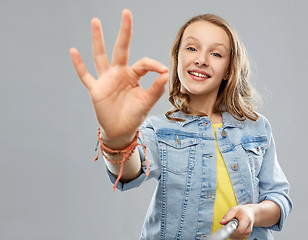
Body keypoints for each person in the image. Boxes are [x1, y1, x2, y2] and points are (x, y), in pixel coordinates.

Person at [70, 9, 292, 240]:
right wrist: (116, 139)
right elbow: (129, 172)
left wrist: (253, 212)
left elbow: (278, 199)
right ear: (178, 57)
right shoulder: (159, 130)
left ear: (228, 69)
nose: (201, 59)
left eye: (216, 54)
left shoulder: (256, 127)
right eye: (192, 48)